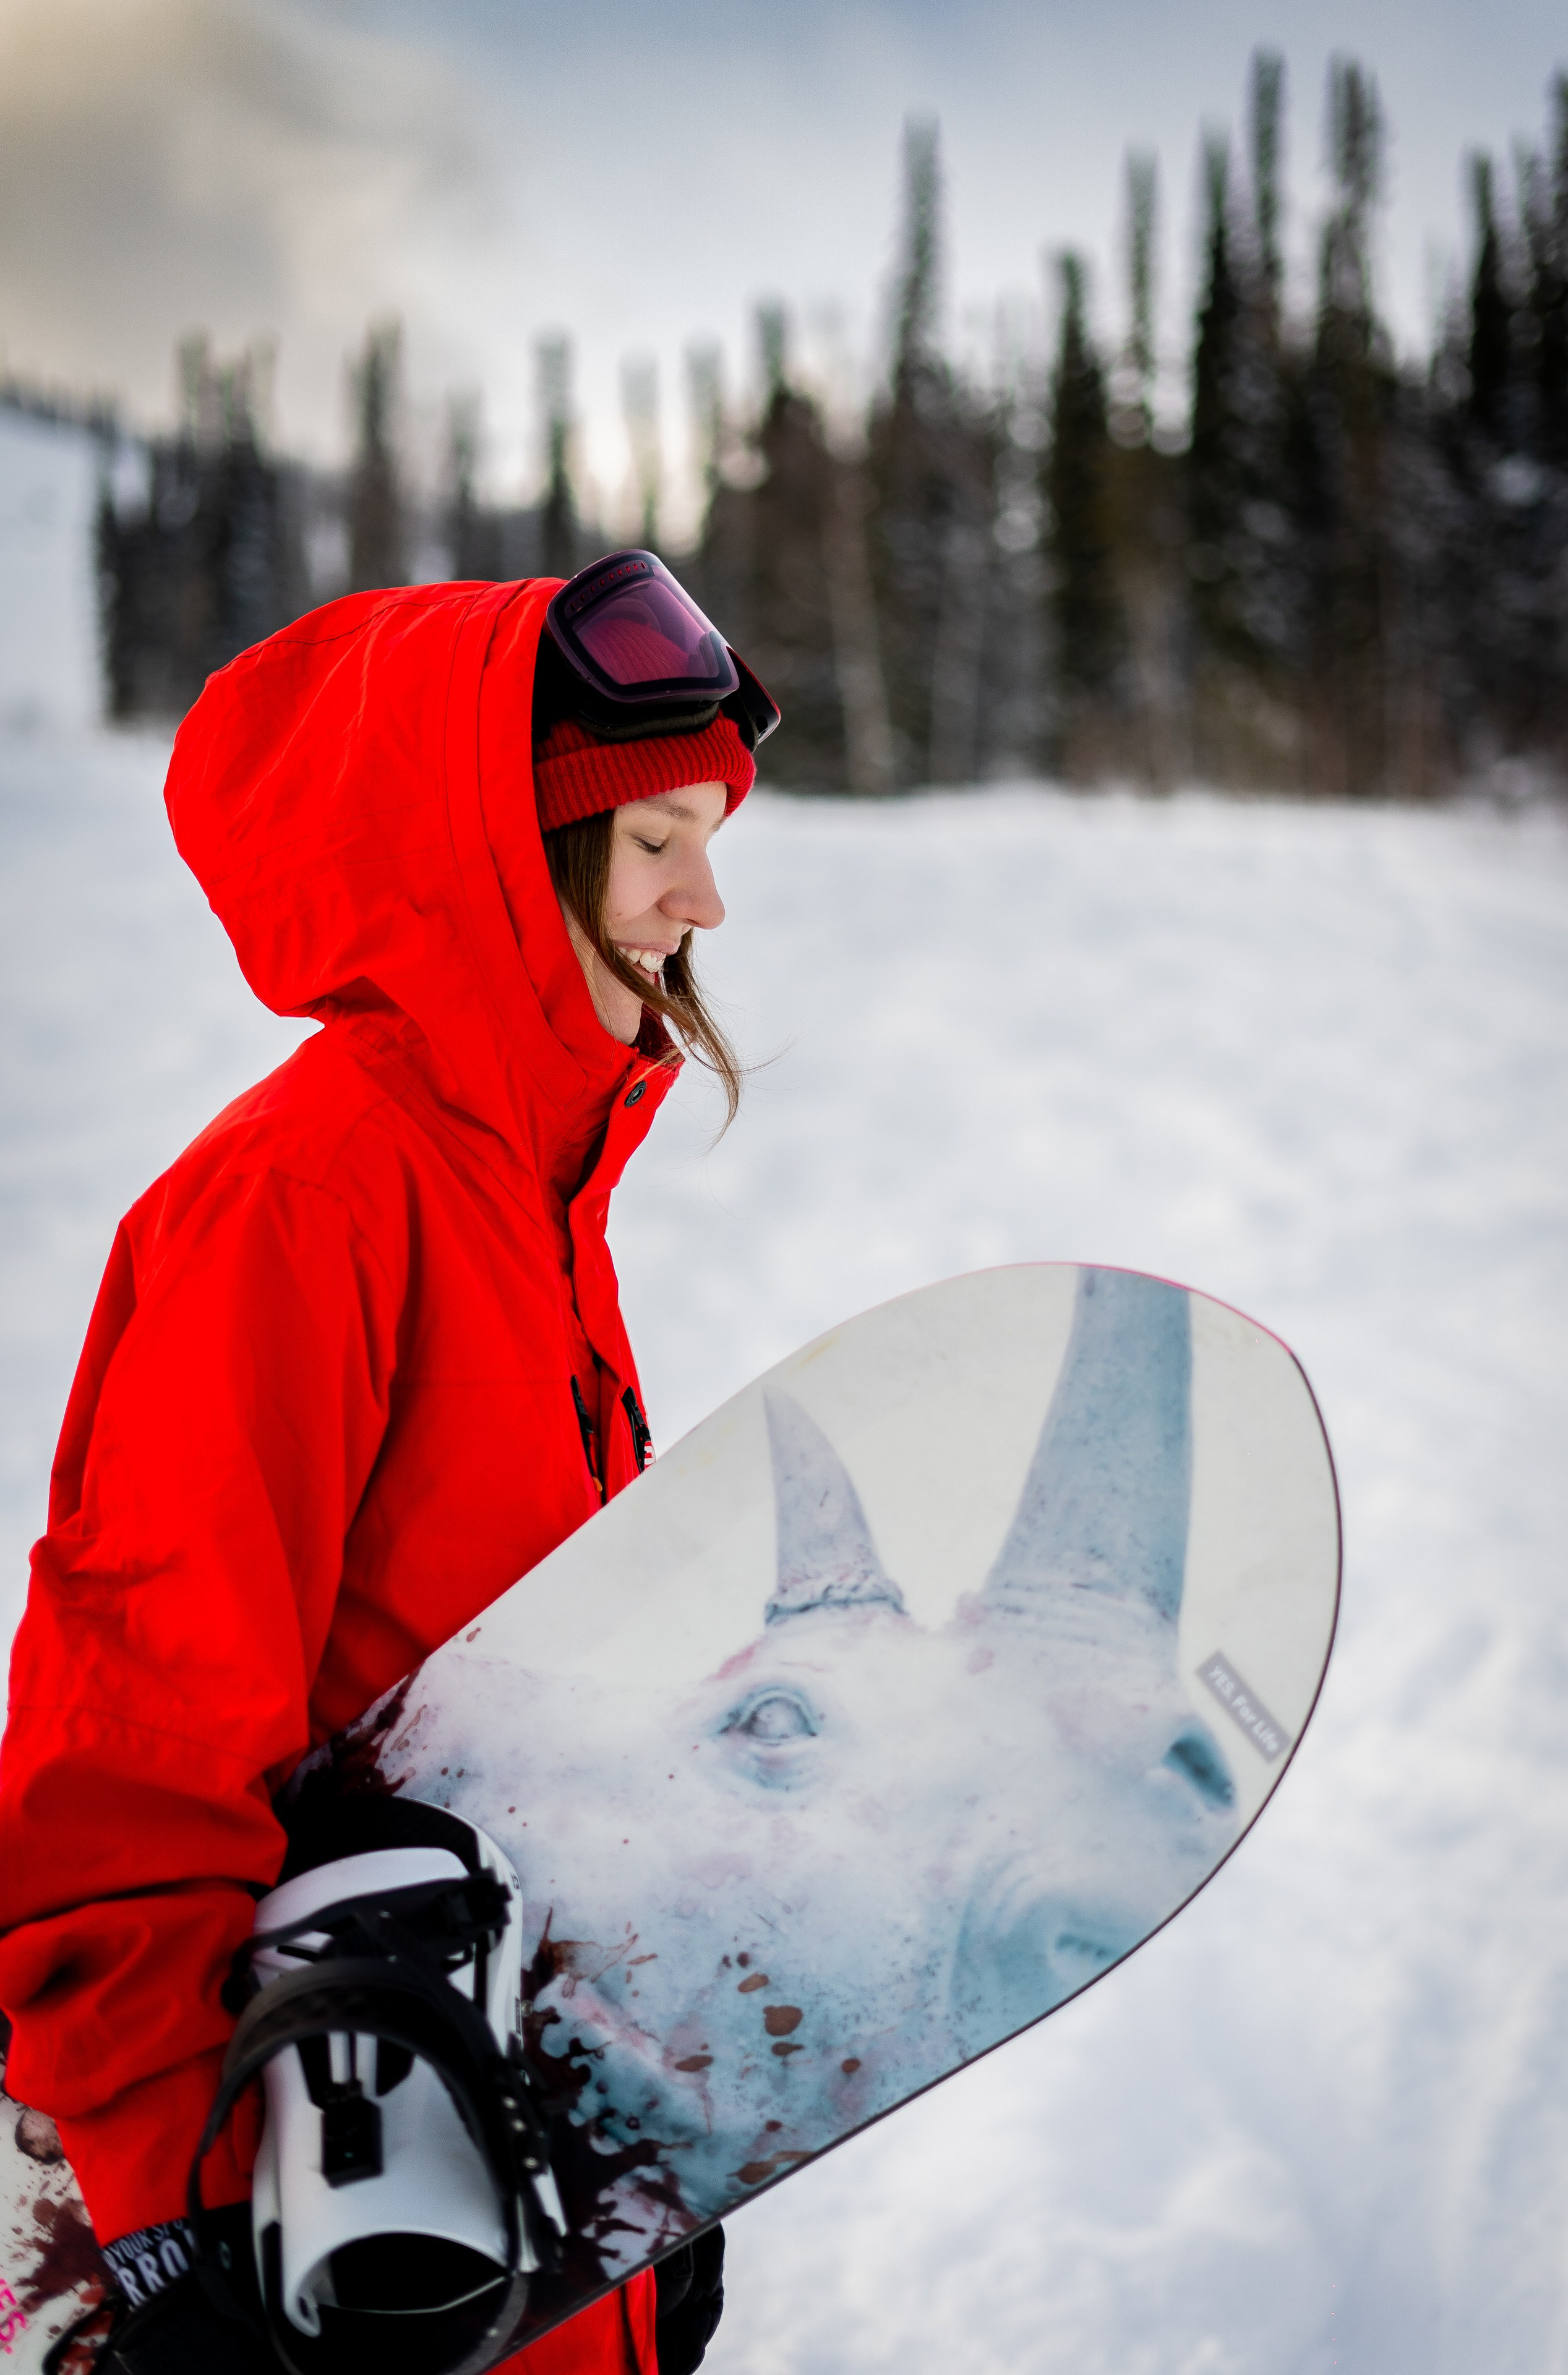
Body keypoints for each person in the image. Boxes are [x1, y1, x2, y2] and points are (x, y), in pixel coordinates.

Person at [0, 557, 776, 2375]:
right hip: (321, 2201)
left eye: (710, 833)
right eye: (654, 837)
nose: (706, 894)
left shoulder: (527, 1189)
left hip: (497, 2177)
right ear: (508, 856)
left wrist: (647, 2222)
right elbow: (134, 1744)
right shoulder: (306, 1202)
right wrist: (169, 2216)